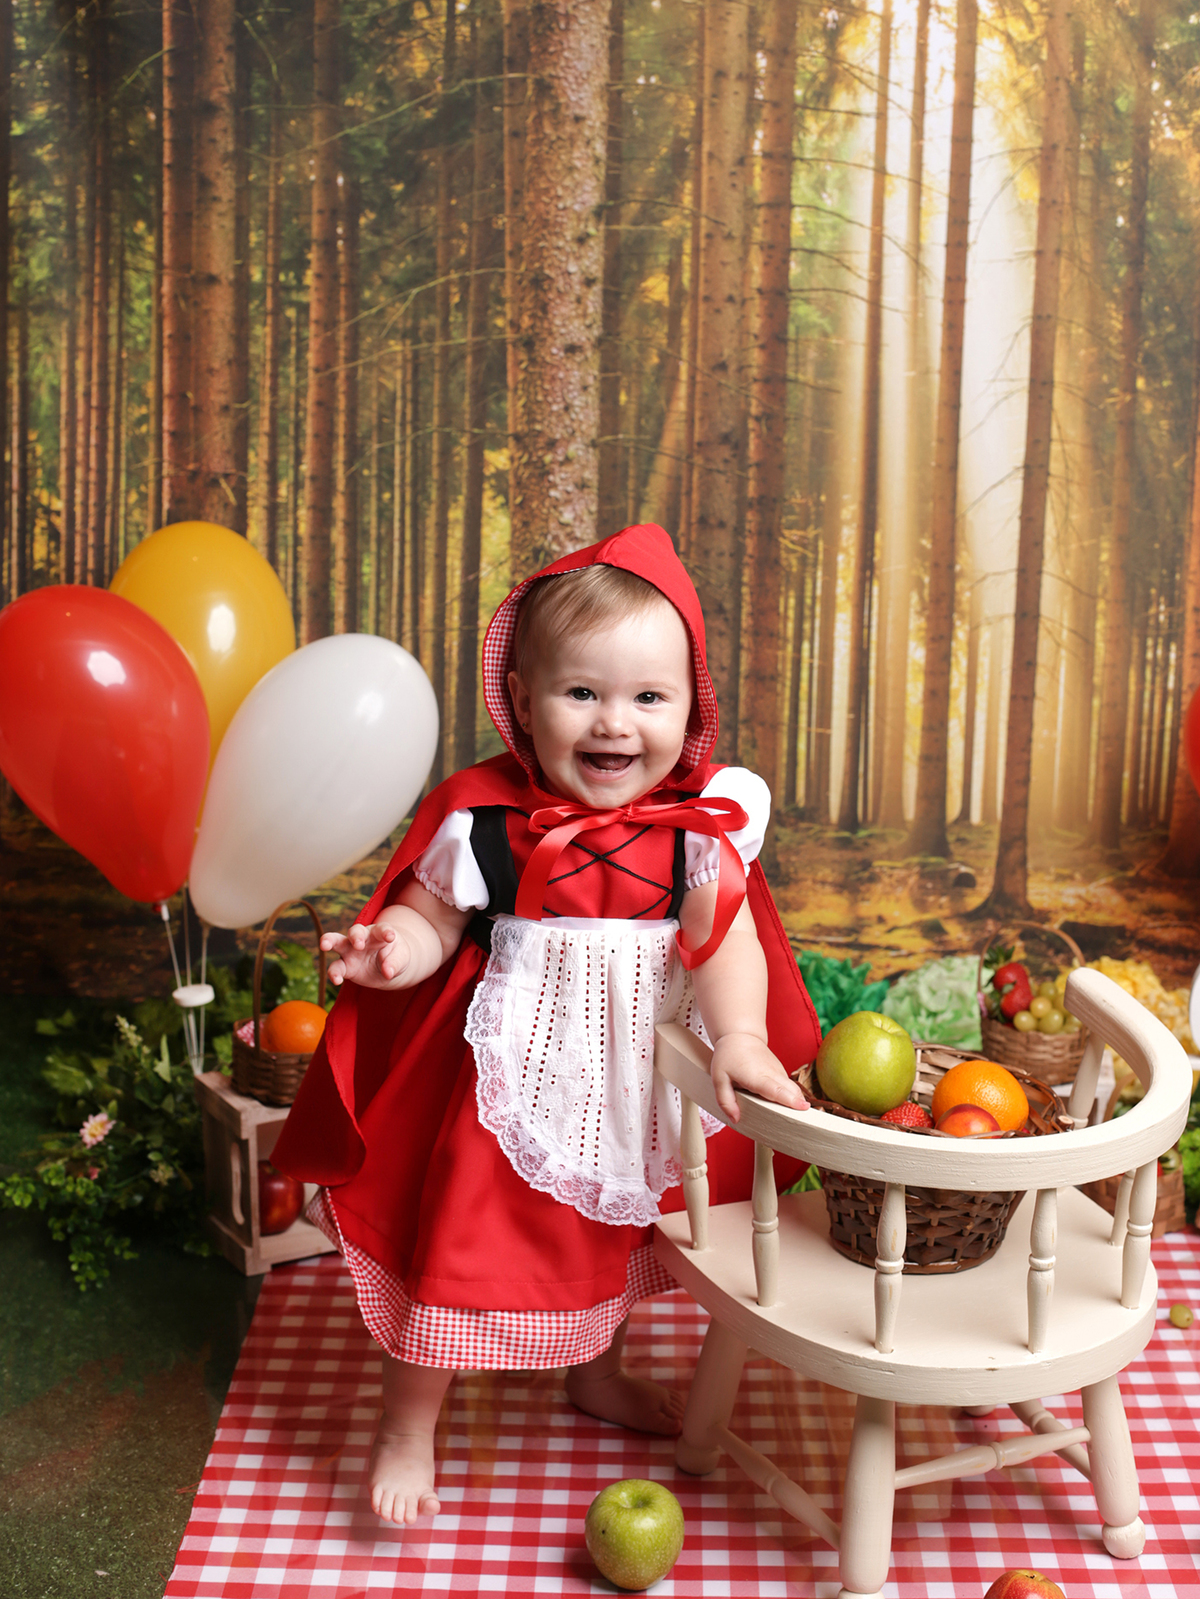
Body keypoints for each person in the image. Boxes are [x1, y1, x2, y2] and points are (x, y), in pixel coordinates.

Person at [272, 524, 821, 1527]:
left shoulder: (694, 835)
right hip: (504, 1077)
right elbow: (435, 918)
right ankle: (407, 1424)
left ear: (691, 709)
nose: (616, 722)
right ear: (524, 702)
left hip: (631, 1077)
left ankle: (594, 1372)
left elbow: (726, 943)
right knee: (458, 1237)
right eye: (582, 693)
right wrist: (392, 948)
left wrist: (741, 1035)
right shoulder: (487, 824)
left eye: (648, 698)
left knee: (606, 1232)